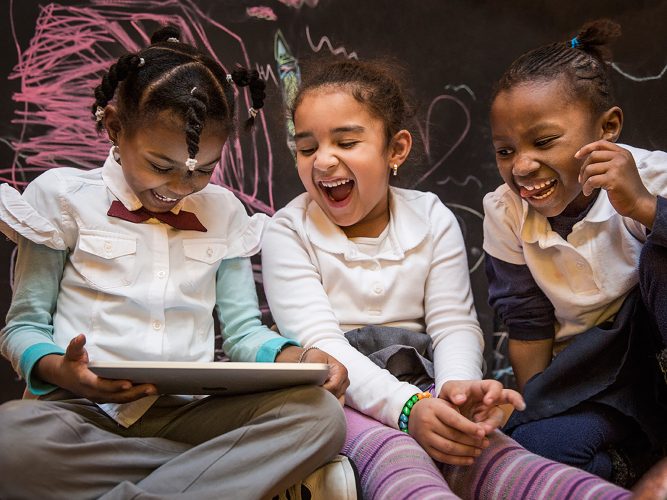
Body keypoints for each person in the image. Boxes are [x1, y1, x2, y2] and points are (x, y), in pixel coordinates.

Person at [0, 26, 351, 500]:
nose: (180, 187)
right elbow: (22, 327)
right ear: (114, 127)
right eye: (160, 166)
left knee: (319, 416)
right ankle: (211, 479)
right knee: (9, 441)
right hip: (78, 414)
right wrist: (61, 370)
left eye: (203, 169)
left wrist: (303, 360)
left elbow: (245, 334)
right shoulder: (60, 197)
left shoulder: (225, 212)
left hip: (188, 417)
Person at [260, 56, 632, 499]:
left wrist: (456, 393)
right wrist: (407, 409)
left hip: (425, 384)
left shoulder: (432, 216)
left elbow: (453, 323)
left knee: (492, 456)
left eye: (346, 142)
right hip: (337, 398)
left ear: (396, 149)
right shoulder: (287, 230)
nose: (323, 161)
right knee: (396, 458)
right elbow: (324, 346)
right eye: (306, 148)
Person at [483, 19, 667, 487]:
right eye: (505, 151)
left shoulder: (653, 176)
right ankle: (637, 462)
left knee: (662, 252)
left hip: (659, 358)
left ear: (607, 129)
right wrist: (537, 409)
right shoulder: (505, 212)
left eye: (544, 142)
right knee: (530, 450)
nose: (522, 166)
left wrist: (645, 207)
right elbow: (526, 321)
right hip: (600, 382)